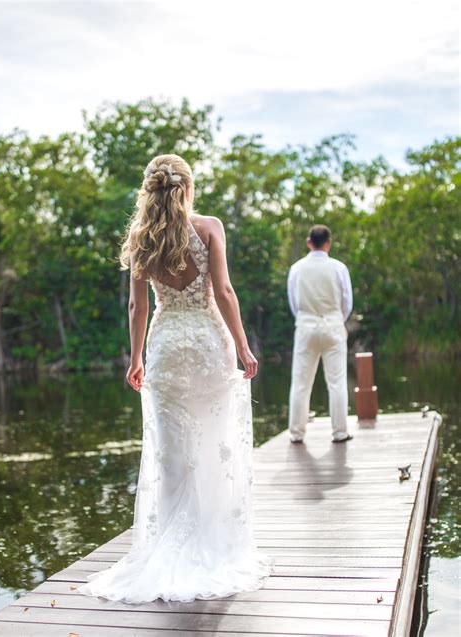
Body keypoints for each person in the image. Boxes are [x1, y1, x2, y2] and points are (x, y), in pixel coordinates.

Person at [77, 154, 273, 604]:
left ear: (151, 189)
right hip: (207, 342)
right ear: (187, 187)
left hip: (166, 348)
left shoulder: (141, 237)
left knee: (172, 452)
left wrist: (136, 357)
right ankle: (213, 541)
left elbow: (137, 307)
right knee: (212, 442)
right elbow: (223, 292)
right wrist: (243, 347)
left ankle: (169, 543)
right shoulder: (209, 227)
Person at [287, 224, 353, 444]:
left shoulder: (296, 268)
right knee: (337, 382)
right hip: (333, 325)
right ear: (328, 242)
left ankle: (297, 433)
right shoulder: (338, 268)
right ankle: (340, 432)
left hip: (306, 326)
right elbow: (347, 302)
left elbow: (294, 302)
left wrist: (306, 319)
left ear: (309, 242)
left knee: (300, 383)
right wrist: (335, 319)